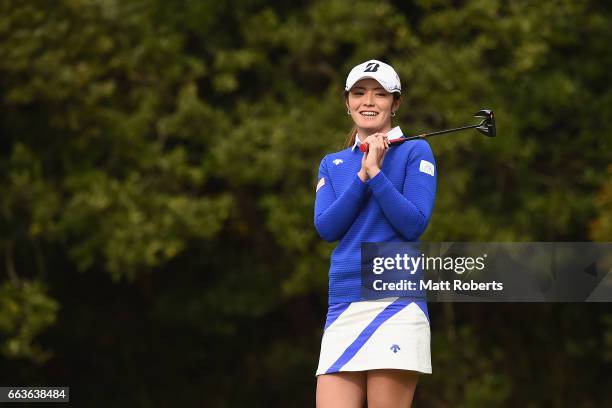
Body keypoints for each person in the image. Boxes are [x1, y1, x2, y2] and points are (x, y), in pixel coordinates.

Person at [313, 59, 437, 408]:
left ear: (395, 103)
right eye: (359, 93)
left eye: (380, 94)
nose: (368, 102)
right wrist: (363, 176)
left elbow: (413, 222)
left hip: (395, 300)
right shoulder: (333, 163)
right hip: (343, 301)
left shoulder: (415, 151)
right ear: (347, 101)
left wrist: (377, 174)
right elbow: (327, 227)